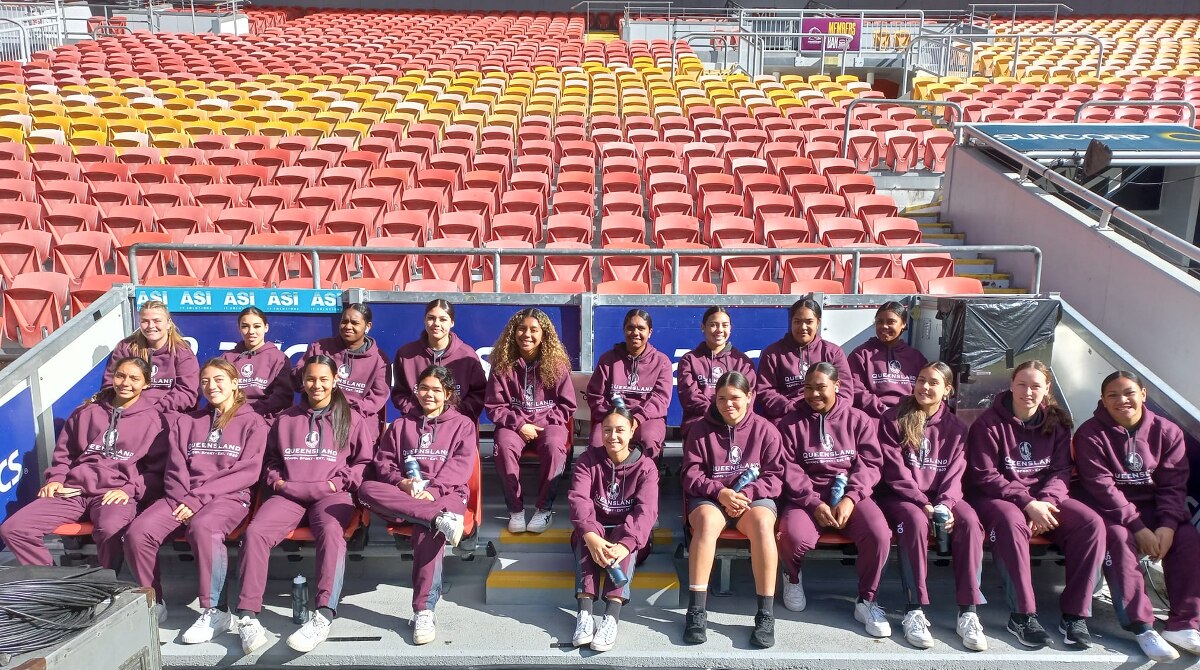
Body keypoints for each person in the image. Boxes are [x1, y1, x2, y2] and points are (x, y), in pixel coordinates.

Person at [234, 355, 374, 655]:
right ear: (303, 381)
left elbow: (363, 462)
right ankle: (247, 615)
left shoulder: (351, 417)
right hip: (290, 494)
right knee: (255, 532)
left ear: (335, 381)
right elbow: (270, 460)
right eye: (311, 379)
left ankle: (323, 614)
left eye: (324, 379)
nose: (317, 385)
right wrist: (279, 482)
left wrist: (340, 483)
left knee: (333, 536)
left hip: (330, 494)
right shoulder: (286, 419)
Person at [123, 358, 268, 635]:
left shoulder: (254, 423)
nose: (211, 386)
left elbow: (247, 472)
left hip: (227, 497)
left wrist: (198, 499)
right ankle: (153, 602)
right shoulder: (187, 421)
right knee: (139, 532)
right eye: (205, 381)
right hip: (182, 497)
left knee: (205, 527)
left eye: (218, 380)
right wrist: (183, 498)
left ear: (235, 383)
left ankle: (216, 611)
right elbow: (175, 467)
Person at [967, 360, 1104, 649]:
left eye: (1035, 386)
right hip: (999, 498)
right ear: (1011, 385)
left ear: (1046, 389)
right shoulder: (987, 424)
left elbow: (1061, 471)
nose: (1028, 391)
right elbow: (985, 475)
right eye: (1022, 384)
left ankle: (1074, 616)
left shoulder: (1057, 423)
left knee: (1090, 524)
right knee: (1010, 520)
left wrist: (1046, 501)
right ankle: (1022, 615)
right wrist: (1028, 503)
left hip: (1045, 500)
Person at [1074, 371, 1200, 661]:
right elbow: (1101, 487)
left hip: (1155, 510)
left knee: (1187, 537)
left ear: (1143, 394)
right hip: (1110, 510)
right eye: (1113, 395)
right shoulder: (1090, 434)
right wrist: (1138, 527)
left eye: (1129, 392)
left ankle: (1184, 624)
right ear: (1102, 401)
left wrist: (1167, 525)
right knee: (1118, 538)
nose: (1122, 400)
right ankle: (1143, 626)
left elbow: (1174, 484)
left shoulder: (1167, 431)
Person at [0, 357, 168, 570]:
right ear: (112, 377)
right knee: (14, 528)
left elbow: (157, 472)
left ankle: (107, 583)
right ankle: (57, 586)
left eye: (134, 378)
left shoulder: (155, 421)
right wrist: (57, 480)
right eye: (120, 375)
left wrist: (129, 489)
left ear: (146, 384)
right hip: (74, 492)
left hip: (115, 494)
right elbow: (64, 455)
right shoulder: (87, 412)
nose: (126, 383)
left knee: (110, 529)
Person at [358, 365, 477, 647]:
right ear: (416, 391)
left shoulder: (463, 425)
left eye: (437, 390)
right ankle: (437, 518)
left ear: (448, 393)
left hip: (446, 495)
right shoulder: (400, 425)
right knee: (365, 488)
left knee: (427, 530)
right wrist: (402, 483)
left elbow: (459, 469)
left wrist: (432, 493)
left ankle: (424, 610)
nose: (429, 395)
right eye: (424, 388)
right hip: (409, 495)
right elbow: (383, 463)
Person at [776, 363, 892, 639]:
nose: (814, 394)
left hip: (851, 496)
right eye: (808, 388)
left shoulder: (858, 419)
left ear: (837, 386)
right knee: (791, 534)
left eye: (820, 387)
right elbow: (788, 468)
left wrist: (852, 497)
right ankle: (792, 577)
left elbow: (870, 464)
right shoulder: (789, 423)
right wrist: (814, 503)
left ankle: (867, 600)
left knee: (879, 533)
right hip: (807, 498)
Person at [876, 362, 986, 651]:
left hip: (943, 498)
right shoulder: (893, 419)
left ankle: (969, 612)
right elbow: (894, 472)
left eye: (933, 382)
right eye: (921, 380)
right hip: (903, 498)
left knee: (971, 523)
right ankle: (915, 608)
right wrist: (923, 502)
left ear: (947, 390)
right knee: (915, 521)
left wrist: (946, 505)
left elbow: (956, 473)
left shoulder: (957, 428)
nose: (925, 387)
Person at [681, 371, 783, 649]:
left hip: (751, 501)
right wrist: (720, 492)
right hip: (713, 499)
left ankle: (765, 614)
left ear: (750, 397)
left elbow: (774, 477)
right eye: (722, 398)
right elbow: (690, 474)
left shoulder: (766, 430)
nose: (728, 404)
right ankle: (696, 612)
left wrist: (746, 494)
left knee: (764, 524)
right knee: (706, 522)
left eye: (735, 398)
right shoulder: (700, 429)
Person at [567, 406, 660, 653]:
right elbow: (578, 500)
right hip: (595, 532)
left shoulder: (646, 466)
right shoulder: (588, 459)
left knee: (625, 535)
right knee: (586, 534)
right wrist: (591, 537)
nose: (613, 436)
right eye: (607, 430)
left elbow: (646, 511)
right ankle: (585, 616)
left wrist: (624, 544)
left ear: (632, 431)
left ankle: (611, 616)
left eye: (620, 430)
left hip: (628, 538)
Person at [485, 308, 577, 535]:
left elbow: (567, 405)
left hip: (548, 424)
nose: (527, 334)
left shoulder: (557, 365)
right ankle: (515, 510)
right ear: (513, 333)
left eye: (534, 330)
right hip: (514, 425)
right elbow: (494, 406)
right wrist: (519, 425)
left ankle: (544, 510)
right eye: (522, 329)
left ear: (544, 334)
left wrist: (543, 424)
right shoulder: (502, 365)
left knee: (555, 446)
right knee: (503, 445)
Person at [585, 309, 673, 462]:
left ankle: (646, 483)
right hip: (612, 417)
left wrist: (636, 419)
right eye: (630, 328)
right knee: (597, 442)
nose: (635, 333)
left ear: (650, 332)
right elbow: (595, 395)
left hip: (646, 419)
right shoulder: (607, 359)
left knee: (649, 439)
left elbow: (660, 399)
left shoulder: (662, 362)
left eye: (641, 328)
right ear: (624, 330)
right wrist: (614, 417)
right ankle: (600, 484)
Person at [298, 303, 390, 441]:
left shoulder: (379, 360)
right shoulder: (320, 348)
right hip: (319, 415)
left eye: (354, 323)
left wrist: (347, 413)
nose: (348, 326)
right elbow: (300, 377)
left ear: (368, 326)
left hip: (358, 421)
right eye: (344, 321)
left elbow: (377, 397)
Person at [391, 299, 487, 423]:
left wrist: (454, 415)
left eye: (443, 319)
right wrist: (415, 412)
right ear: (424, 320)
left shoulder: (467, 355)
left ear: (452, 322)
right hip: (417, 423)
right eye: (431, 318)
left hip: (456, 424)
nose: (436, 323)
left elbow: (479, 393)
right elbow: (399, 393)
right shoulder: (405, 354)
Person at [757, 298, 852, 420]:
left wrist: (826, 410)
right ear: (791, 322)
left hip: (827, 415)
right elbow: (766, 392)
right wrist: (791, 408)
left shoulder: (833, 352)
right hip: (788, 417)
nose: (803, 327)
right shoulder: (773, 353)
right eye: (797, 321)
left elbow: (845, 392)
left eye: (809, 321)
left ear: (818, 323)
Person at [103, 299, 199, 414]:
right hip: (128, 412)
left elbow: (187, 394)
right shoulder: (125, 348)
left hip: (165, 415)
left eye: (157, 321)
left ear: (169, 323)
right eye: (145, 321)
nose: (151, 326)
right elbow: (110, 384)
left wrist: (153, 410)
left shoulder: (182, 353)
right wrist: (130, 408)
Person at [676, 306, 757, 438]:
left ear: (730, 328)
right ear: (703, 327)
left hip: (735, 419)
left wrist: (730, 415)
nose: (719, 330)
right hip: (700, 419)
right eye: (713, 325)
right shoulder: (689, 360)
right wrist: (718, 413)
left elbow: (749, 397)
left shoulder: (743, 362)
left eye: (724, 325)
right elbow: (689, 397)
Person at [849, 301, 928, 420]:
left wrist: (907, 412)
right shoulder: (861, 354)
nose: (884, 326)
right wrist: (884, 410)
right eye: (879, 322)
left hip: (908, 417)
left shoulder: (916, 357)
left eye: (891, 322)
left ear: (903, 324)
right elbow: (856, 390)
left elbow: (924, 390)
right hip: (873, 417)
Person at [220, 307, 294, 419]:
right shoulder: (227, 358)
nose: (251, 331)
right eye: (245, 326)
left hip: (265, 419)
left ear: (266, 327)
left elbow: (282, 397)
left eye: (257, 326)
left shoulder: (279, 358)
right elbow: (219, 392)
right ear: (239, 328)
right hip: (231, 417)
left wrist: (252, 411)